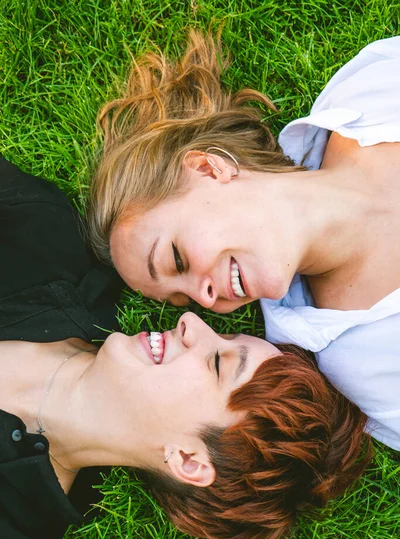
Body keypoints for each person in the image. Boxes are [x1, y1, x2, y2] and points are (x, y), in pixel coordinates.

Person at [0, 158, 370, 539]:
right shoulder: (43, 240)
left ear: (188, 460)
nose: (192, 324)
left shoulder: (9, 531)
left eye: (217, 364)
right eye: (224, 335)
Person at [88, 32, 400, 450]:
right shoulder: (361, 357)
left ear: (208, 169)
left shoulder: (372, 90)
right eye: (187, 300)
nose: (206, 296)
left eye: (177, 259)